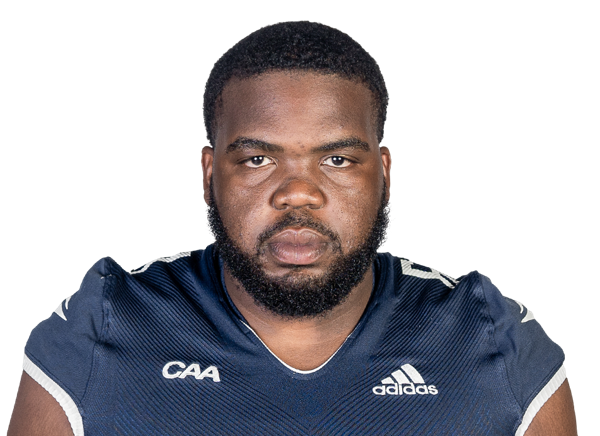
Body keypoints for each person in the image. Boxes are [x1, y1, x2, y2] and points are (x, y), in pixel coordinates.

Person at [8, 21, 576, 436]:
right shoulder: (102, 326)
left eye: (337, 160)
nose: (298, 193)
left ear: (383, 174)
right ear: (209, 174)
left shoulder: (490, 337)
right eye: (258, 159)